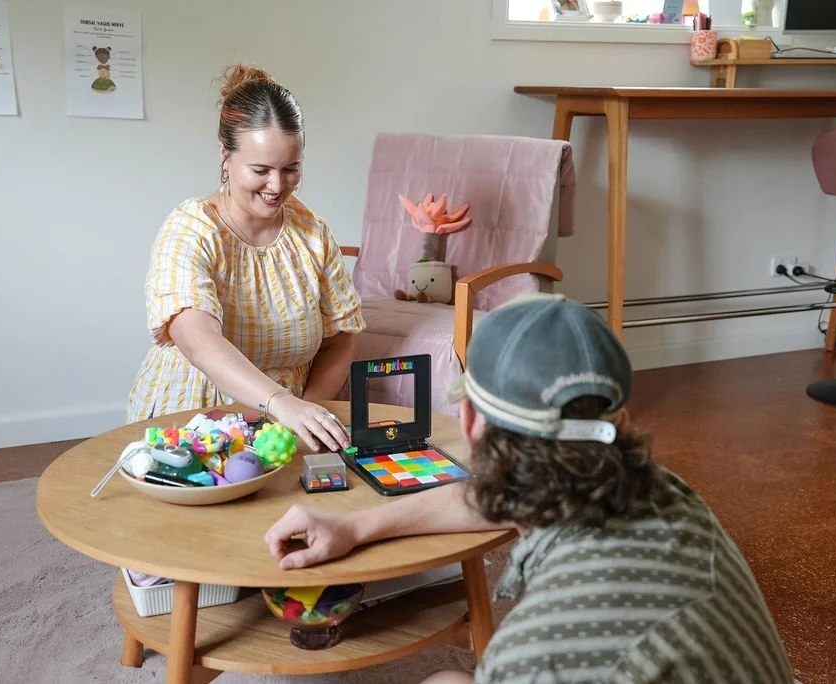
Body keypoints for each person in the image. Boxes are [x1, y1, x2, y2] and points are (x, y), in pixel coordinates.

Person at [264, 293, 795, 683]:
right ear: (622, 426)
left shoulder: (542, 653)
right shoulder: (659, 488)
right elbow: (500, 495)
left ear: (469, 422)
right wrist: (354, 526)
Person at [126, 64, 363, 453]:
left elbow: (342, 337)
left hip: (286, 424)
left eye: (291, 169)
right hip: (196, 415)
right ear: (225, 155)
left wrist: (308, 410)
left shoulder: (312, 232)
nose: (277, 185)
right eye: (261, 169)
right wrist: (281, 402)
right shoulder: (191, 229)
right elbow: (199, 340)